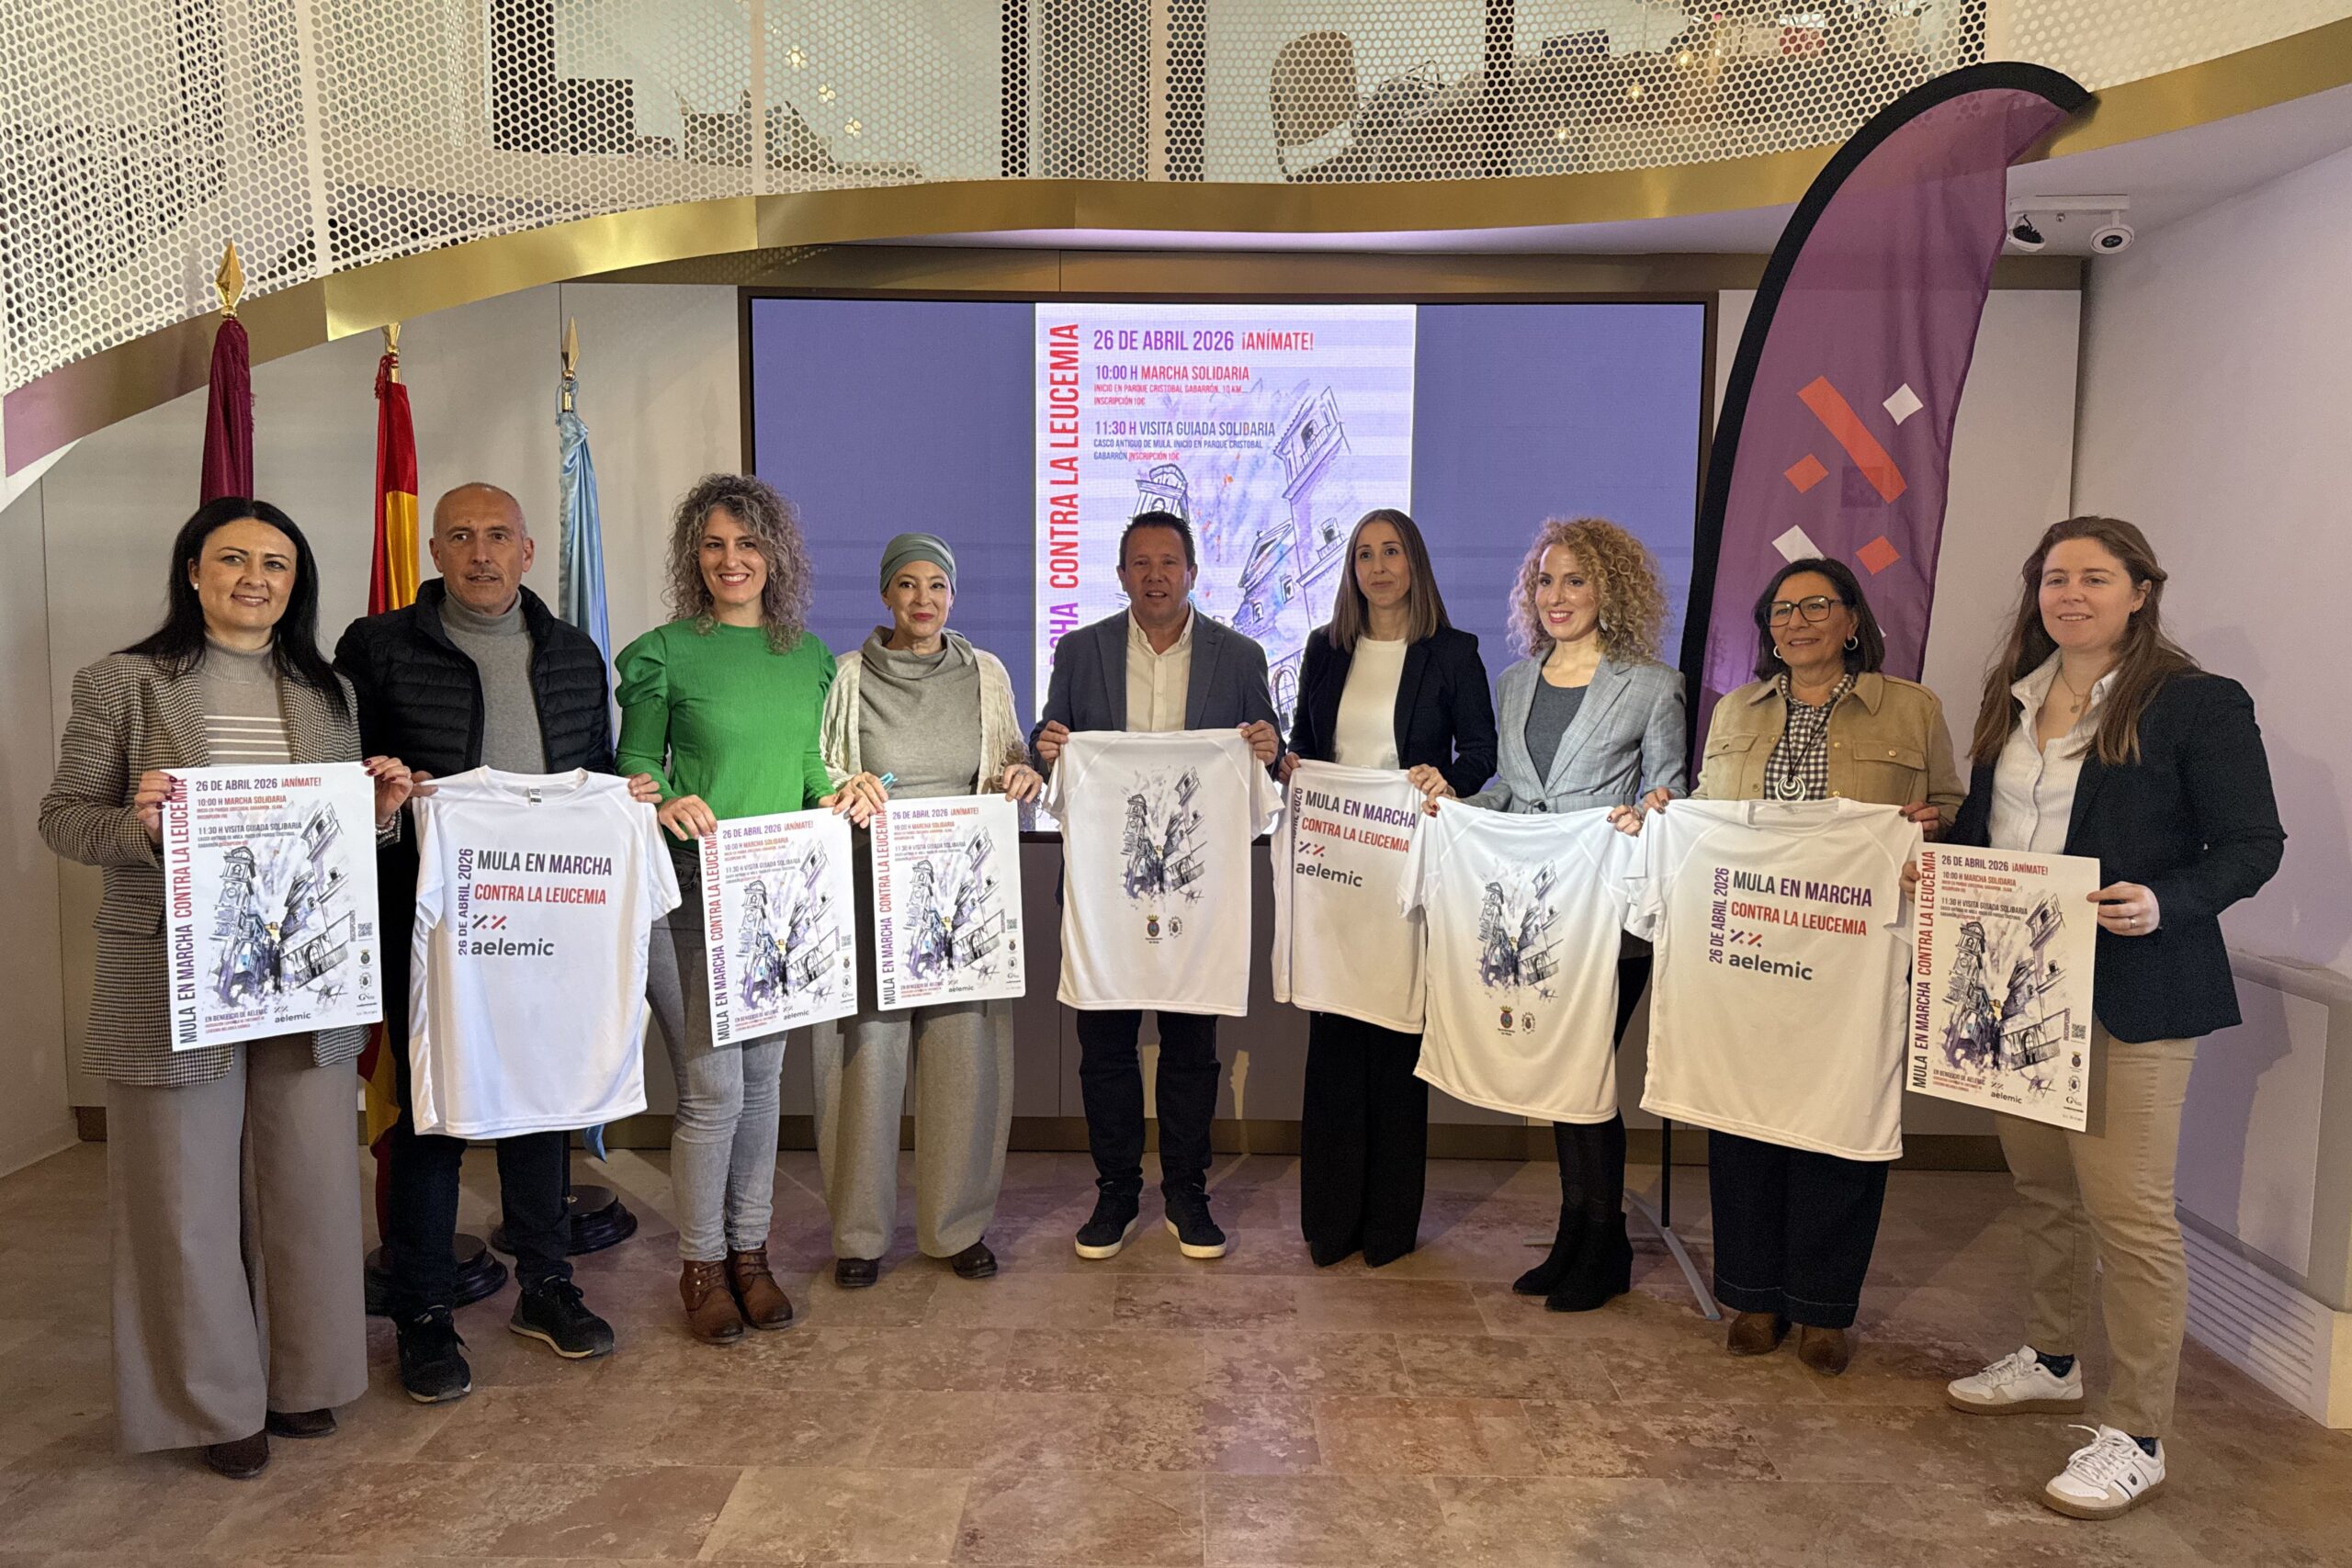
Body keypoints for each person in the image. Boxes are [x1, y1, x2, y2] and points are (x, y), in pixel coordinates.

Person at [39, 499, 415, 1478]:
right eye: (234, 559)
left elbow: (326, 838)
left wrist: (379, 813)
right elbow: (64, 818)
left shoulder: (329, 692)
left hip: (307, 977)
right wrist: (139, 826)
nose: (256, 578)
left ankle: (302, 1377)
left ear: (296, 582)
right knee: (184, 1197)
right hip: (171, 977)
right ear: (194, 571)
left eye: (276, 563)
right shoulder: (123, 683)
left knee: (310, 1185)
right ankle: (214, 1400)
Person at [1940, 517, 2282, 1520]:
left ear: (2140, 591)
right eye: (2055, 578)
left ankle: (2137, 1434)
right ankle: (2052, 1360)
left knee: (2129, 1216)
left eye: (2095, 577)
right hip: (2015, 991)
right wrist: (1942, 850)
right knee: (2043, 1189)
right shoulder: (2013, 697)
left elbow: (2252, 843)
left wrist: (2167, 901)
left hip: (2136, 986)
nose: (2071, 595)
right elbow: (1994, 829)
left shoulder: (2196, 703)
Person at [334, 482, 658, 1402]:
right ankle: (423, 1313)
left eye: (499, 536)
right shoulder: (377, 646)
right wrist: (387, 800)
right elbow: (345, 779)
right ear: (435, 551)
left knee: (545, 1100)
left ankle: (546, 1285)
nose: (482, 553)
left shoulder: (572, 651)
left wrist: (623, 800)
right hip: (431, 920)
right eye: (462, 536)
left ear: (526, 550)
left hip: (552, 919)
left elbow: (596, 767)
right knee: (430, 1115)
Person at [1685, 557, 1959, 1373]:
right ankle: (1753, 1296)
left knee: (1843, 1117)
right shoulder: (1735, 708)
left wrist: (1934, 824)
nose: (1795, 621)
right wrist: (1669, 814)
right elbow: (1707, 813)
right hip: (1749, 948)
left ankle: (1824, 1308)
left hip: (1854, 952)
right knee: (1743, 1114)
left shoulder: (1911, 707)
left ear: (1851, 620)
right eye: (1780, 609)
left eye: (1814, 606)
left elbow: (1952, 806)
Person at [1441, 517, 1686, 1310]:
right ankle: (1574, 1234)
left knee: (1586, 1076)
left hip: (1609, 918)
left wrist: (1651, 810)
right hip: (1534, 915)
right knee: (1558, 1078)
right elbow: (1512, 795)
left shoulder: (1651, 684)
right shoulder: (1515, 683)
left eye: (1576, 579)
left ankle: (1605, 1242)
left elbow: (1673, 792)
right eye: (1545, 579)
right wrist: (1454, 807)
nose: (1557, 595)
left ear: (1609, 588)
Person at [618, 473, 836, 1344]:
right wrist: (665, 796)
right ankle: (702, 1265)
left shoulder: (809, 657)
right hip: (691, 894)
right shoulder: (664, 652)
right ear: (693, 555)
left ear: (775, 554)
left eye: (747, 543)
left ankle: (752, 1254)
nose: (730, 559)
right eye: (713, 544)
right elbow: (635, 765)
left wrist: (837, 793)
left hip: (778, 900)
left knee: (763, 1085)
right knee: (712, 1091)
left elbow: (808, 767)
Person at [1032, 511, 1282, 1261]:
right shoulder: (1081, 650)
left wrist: (1269, 746)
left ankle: (1186, 1193)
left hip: (1196, 899)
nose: (1155, 576)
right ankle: (1114, 1192)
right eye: (1140, 563)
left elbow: (1270, 754)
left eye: (1168, 562)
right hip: (1105, 893)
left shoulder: (1240, 655)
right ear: (1120, 575)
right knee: (1104, 1051)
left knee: (1191, 1051)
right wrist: (1048, 746)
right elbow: (1049, 745)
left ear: (1192, 572)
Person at [811, 533, 1042, 1288]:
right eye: (907, 584)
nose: (923, 599)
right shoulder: (847, 676)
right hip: (869, 896)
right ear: (885, 594)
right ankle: (859, 1235)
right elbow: (821, 770)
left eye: (936, 585)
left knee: (964, 1064)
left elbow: (1010, 760)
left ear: (952, 595)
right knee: (865, 1068)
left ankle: (956, 1227)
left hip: (963, 900)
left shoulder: (986, 674)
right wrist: (841, 788)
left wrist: (1021, 776)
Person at [1281, 508, 1497, 1268]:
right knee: (1335, 1046)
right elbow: (1306, 747)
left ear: (1415, 562)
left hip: (1410, 870)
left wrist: (1448, 779)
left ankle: (1388, 1228)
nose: (1377, 567)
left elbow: (1481, 753)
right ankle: (1331, 1222)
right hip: (1336, 873)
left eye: (1391, 551)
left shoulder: (1454, 652)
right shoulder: (1325, 647)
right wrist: (1285, 763)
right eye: (1364, 554)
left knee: (1398, 1042)